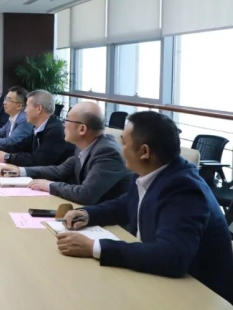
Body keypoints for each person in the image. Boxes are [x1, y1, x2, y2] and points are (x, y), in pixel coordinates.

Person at [57, 112, 233, 304]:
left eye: (124, 142)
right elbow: (125, 203)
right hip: (158, 280)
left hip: (197, 296)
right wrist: (87, 213)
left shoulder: (183, 189)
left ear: (144, 152)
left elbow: (172, 256)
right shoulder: (151, 171)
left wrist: (94, 247)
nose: (120, 148)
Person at [0, 102, 131, 204]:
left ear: (82, 129)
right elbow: (60, 170)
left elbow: (85, 194)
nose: (63, 124)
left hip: (113, 225)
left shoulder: (107, 153)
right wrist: (21, 171)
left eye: (67, 120)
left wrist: (49, 185)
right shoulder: (85, 145)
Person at [0, 90, 74, 166]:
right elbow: (21, 145)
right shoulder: (40, 127)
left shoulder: (55, 130)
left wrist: (7, 157)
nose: (25, 111)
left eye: (27, 106)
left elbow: (38, 161)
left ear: (39, 109)